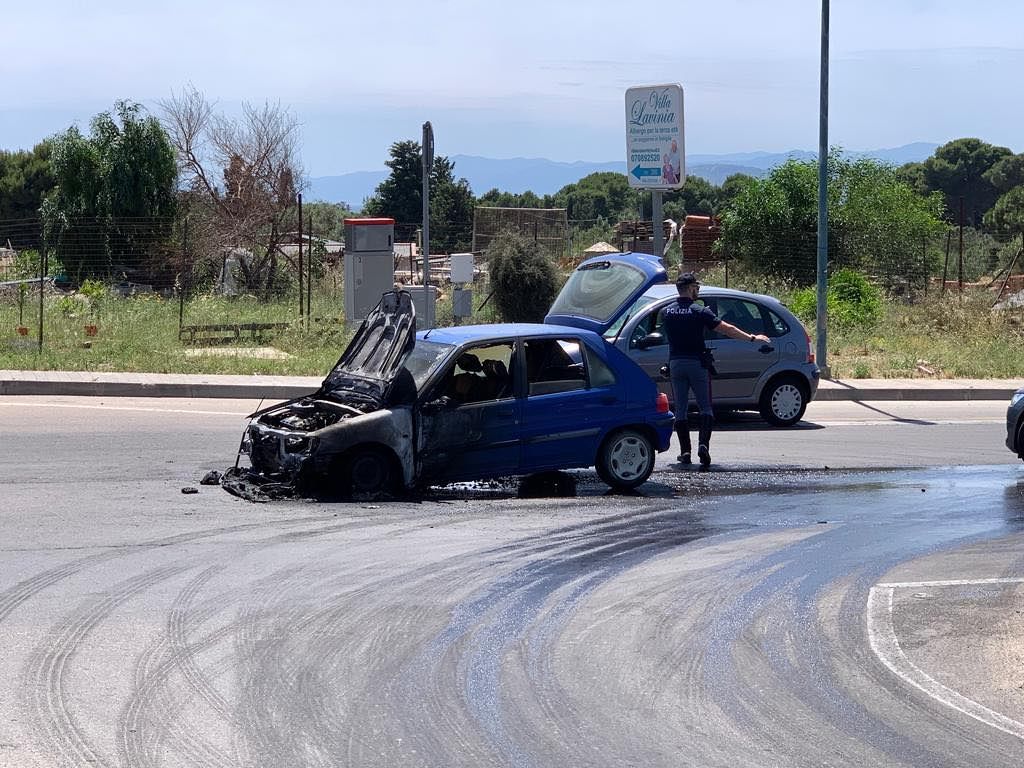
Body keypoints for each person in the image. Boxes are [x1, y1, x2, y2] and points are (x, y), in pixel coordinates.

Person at [662, 271, 770, 468]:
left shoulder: (666, 312)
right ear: (691, 288)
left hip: (676, 364)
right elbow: (726, 329)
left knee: (681, 409)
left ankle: (685, 452)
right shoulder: (699, 311)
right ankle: (703, 446)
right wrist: (752, 338)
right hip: (697, 364)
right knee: (705, 407)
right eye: (697, 287)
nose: (698, 291)